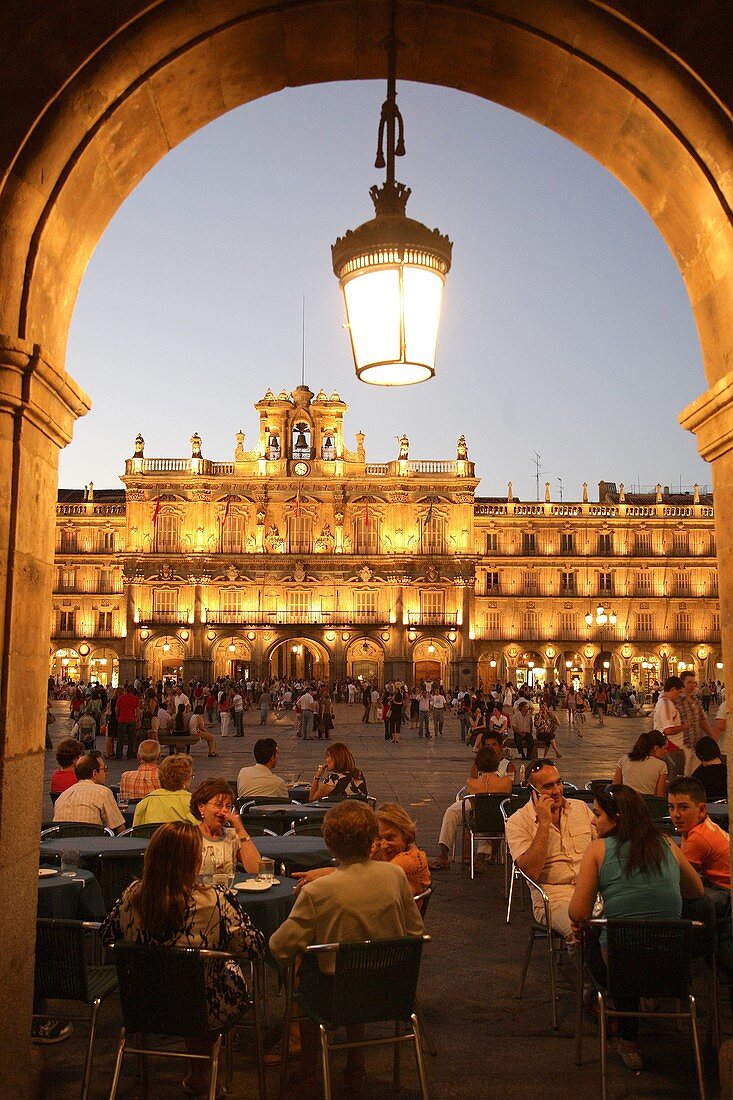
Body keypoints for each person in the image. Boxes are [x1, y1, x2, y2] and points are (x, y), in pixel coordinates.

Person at [269, 801, 424, 1094]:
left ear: (330, 844)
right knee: (357, 968)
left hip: (334, 995)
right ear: (372, 840)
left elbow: (280, 947)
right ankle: (356, 1063)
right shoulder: (394, 877)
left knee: (307, 975)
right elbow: (415, 932)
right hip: (390, 990)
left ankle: (308, 1068)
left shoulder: (318, 891)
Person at [101, 821, 264, 1096]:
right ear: (193, 859)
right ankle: (203, 1072)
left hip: (143, 1002)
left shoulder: (132, 895)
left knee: (192, 977)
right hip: (203, 1005)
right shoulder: (214, 900)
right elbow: (255, 947)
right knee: (214, 975)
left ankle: (198, 1073)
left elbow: (107, 934)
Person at [568, 785, 703, 1071]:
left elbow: (578, 912)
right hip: (671, 969)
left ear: (616, 818)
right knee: (633, 940)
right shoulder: (667, 843)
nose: (593, 821)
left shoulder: (598, 849)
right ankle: (647, 1000)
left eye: (597, 814)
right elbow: (696, 889)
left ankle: (626, 1039)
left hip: (620, 966)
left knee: (596, 937)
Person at [505, 760, 595, 953]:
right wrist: (543, 824)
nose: (556, 791)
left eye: (559, 783)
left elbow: (603, 846)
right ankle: (588, 982)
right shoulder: (517, 823)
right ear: (533, 791)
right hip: (554, 897)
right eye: (548, 787)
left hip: (591, 890)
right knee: (579, 931)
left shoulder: (579, 809)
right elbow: (532, 872)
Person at [430, 747, 512, 871]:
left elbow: (473, 799)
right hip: (495, 814)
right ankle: (475, 856)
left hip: (480, 812)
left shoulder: (471, 783)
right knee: (458, 812)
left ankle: (446, 853)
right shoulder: (506, 781)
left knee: (478, 814)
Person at [190, 778, 261, 875]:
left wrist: (240, 830)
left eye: (228, 806)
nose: (224, 811)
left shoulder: (231, 836)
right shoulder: (190, 837)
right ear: (201, 807)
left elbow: (256, 869)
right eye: (218, 805)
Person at [53, 752, 125, 833]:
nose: (106, 773)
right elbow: (119, 827)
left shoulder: (62, 796)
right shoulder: (103, 792)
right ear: (94, 773)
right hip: (92, 843)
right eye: (104, 769)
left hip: (63, 843)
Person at [133, 754, 198, 826]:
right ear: (185, 780)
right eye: (192, 776)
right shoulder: (192, 803)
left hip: (153, 837)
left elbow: (136, 832)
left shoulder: (145, 802)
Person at [652, 675, 689, 781]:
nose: (680, 695)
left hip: (671, 748)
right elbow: (668, 730)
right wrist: (684, 726)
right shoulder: (666, 704)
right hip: (671, 748)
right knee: (673, 781)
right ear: (672, 689)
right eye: (679, 692)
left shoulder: (664, 702)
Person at [677, 670, 714, 774]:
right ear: (682, 683)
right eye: (689, 682)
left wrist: (712, 737)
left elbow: (702, 720)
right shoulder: (677, 701)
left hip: (697, 743)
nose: (692, 685)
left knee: (696, 775)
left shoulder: (696, 700)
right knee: (685, 774)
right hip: (684, 744)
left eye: (693, 682)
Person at [613, 729, 668, 795]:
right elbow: (660, 796)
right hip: (647, 804)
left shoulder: (624, 759)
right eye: (664, 748)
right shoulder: (661, 766)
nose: (666, 751)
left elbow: (615, 788)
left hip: (625, 803)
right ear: (656, 748)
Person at [115, 683, 139, 760]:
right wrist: (137, 718)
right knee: (131, 738)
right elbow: (137, 710)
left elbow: (116, 709)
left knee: (121, 738)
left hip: (122, 719)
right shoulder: (135, 698)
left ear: (126, 690)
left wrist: (117, 716)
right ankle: (129, 754)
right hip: (131, 719)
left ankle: (119, 755)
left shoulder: (121, 698)